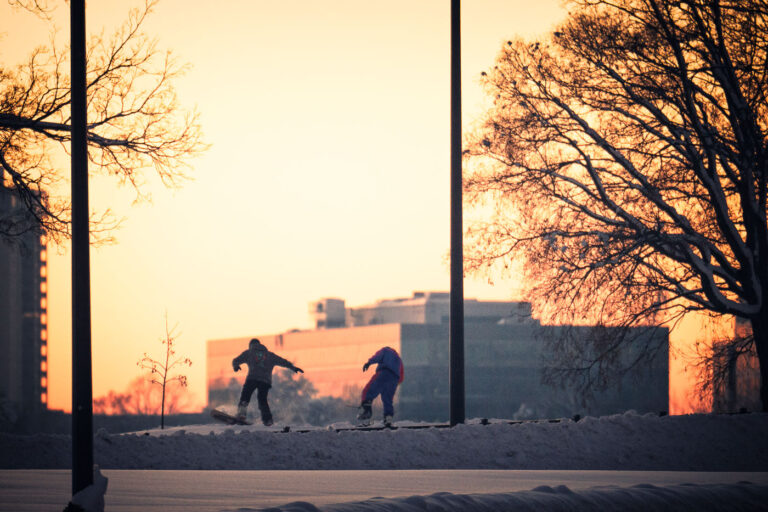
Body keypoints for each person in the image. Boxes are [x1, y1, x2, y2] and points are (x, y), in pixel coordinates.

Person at [232, 338, 303, 425]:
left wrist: (236, 366)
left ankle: (241, 415)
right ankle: (268, 420)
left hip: (252, 378)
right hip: (265, 381)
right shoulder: (270, 355)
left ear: (251, 345)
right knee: (262, 400)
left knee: (245, 397)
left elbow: (235, 360)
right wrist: (293, 367)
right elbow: (283, 361)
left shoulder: (249, 352)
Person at [357, 346, 404, 426]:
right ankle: (388, 417)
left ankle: (366, 410)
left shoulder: (386, 350)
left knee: (368, 390)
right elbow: (401, 375)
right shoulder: (399, 360)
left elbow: (378, 356)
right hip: (394, 379)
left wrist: (369, 362)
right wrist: (395, 383)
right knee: (387, 399)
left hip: (384, 373)